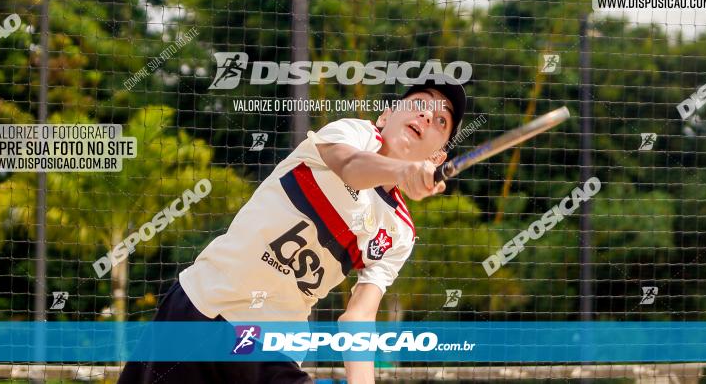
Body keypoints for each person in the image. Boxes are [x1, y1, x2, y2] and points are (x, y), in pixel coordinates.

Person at [119, 77, 467, 384]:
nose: (426, 116)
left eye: (440, 120)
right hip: (201, 308)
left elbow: (359, 316)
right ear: (386, 115)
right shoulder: (352, 134)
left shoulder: (399, 233)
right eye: (420, 103)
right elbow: (350, 167)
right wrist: (401, 171)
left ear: (437, 157)